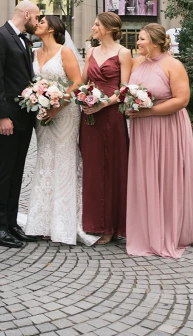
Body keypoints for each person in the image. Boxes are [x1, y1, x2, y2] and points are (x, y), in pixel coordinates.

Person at [126, 24, 193, 259]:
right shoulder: (136, 63)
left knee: (167, 176)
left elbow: (182, 100)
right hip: (142, 129)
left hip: (167, 128)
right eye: (138, 39)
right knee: (145, 175)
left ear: (156, 42)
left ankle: (170, 230)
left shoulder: (173, 65)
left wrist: (149, 112)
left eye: (141, 39)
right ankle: (147, 229)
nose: (137, 43)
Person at [23, 16, 98, 245]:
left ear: (53, 28)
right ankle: (42, 221)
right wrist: (37, 100)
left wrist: (57, 106)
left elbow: (76, 83)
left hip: (65, 113)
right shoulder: (34, 53)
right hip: (43, 114)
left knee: (64, 160)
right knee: (46, 160)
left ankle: (64, 222)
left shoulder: (64, 52)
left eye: (42, 22)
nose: (37, 24)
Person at [0, 0, 40, 248]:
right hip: (7, 118)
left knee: (17, 171)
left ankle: (11, 223)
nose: (37, 22)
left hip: (23, 118)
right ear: (26, 14)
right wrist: (1, 116)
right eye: (37, 17)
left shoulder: (21, 39)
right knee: (4, 170)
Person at [79, 12, 132, 244]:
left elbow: (124, 89)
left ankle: (111, 227)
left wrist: (102, 104)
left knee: (112, 168)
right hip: (90, 118)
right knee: (92, 168)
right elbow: (82, 83)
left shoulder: (123, 53)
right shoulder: (90, 52)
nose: (93, 27)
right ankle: (93, 222)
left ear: (109, 29)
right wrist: (82, 98)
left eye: (97, 24)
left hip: (111, 117)